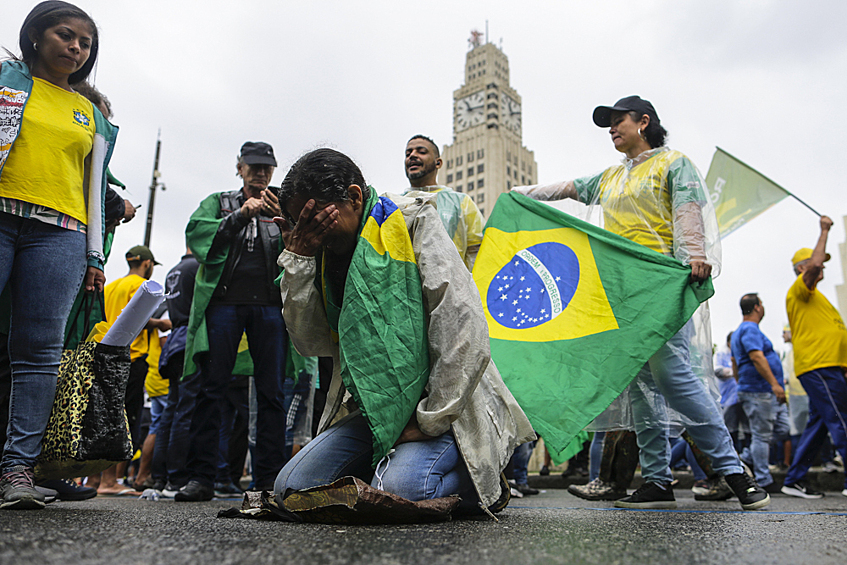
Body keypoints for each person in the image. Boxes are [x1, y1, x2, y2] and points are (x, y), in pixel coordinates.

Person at [514, 95, 769, 510]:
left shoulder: (672, 163)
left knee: (675, 379)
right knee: (641, 391)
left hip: (660, 285)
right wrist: (520, 194)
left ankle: (736, 474)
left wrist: (693, 256)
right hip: (622, 294)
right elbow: (565, 188)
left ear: (643, 122)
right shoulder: (612, 178)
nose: (612, 129)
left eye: (619, 121)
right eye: (609, 123)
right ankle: (656, 481)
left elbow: (687, 209)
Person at [273, 148, 534, 515]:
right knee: (293, 489)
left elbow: (463, 326)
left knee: (403, 488)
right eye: (301, 223)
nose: (311, 232)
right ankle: (384, 466)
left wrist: (429, 420)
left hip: (442, 409)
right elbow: (310, 340)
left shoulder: (414, 221)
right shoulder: (316, 250)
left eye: (317, 219)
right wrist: (297, 262)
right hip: (374, 409)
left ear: (354, 197)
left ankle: (480, 477)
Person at [0, 1, 118, 510]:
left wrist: (94, 256)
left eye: (85, 43)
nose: (75, 47)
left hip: (62, 233)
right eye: (65, 35)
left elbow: (93, 190)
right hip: (2, 214)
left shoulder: (90, 113)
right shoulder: (6, 82)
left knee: (40, 351)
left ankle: (17, 470)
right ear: (35, 37)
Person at [177, 142, 288, 501]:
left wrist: (285, 220)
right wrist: (240, 215)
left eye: (266, 167)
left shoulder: (282, 204)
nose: (260, 173)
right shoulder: (220, 201)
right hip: (224, 303)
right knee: (211, 390)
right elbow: (195, 233)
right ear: (239, 167)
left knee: (272, 393)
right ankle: (201, 478)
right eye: (253, 166)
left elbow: (302, 247)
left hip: (271, 307)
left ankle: (269, 480)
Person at [95, 245, 169, 495]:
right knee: (123, 418)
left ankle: (95, 480)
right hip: (130, 358)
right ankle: (111, 480)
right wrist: (162, 322)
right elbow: (138, 319)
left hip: (102, 355)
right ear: (147, 264)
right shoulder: (140, 286)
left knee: (101, 416)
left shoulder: (111, 286)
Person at [782, 217, 847, 499]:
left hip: (828, 367)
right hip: (820, 367)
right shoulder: (800, 289)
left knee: (820, 424)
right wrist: (824, 231)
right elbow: (816, 265)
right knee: (842, 420)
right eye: (815, 263)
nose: (822, 266)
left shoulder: (817, 297)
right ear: (801, 268)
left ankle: (793, 479)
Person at [730, 293, 786, 493]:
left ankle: (746, 457)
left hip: (754, 390)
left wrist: (740, 383)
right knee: (762, 436)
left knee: (782, 428)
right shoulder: (749, 329)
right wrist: (775, 384)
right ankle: (763, 479)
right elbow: (756, 356)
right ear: (757, 308)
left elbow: (735, 363)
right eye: (761, 304)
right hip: (759, 391)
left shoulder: (739, 331)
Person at [402, 135, 484, 270]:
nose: (412, 156)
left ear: (438, 163)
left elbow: (478, 252)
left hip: (452, 287)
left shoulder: (461, 202)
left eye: (421, 151)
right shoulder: (394, 204)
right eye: (408, 153)